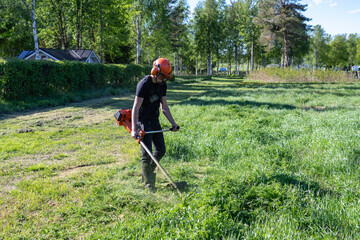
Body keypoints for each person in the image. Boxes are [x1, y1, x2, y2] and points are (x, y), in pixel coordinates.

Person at [131, 58, 179, 193]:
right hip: (143, 122)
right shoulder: (144, 83)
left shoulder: (162, 85)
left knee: (161, 150)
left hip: (155, 121)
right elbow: (136, 106)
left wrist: (173, 124)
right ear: (155, 71)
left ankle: (147, 175)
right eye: (162, 76)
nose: (163, 79)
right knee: (147, 154)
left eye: (165, 77)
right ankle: (149, 185)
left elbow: (164, 107)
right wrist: (134, 129)